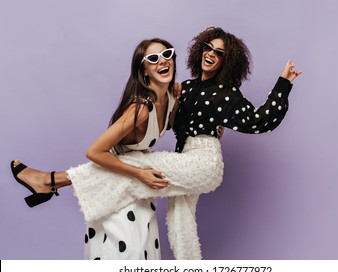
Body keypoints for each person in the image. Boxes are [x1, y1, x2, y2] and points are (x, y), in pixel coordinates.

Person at [11, 27, 302, 260]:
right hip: (185, 157)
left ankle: (51, 181)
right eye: (208, 48)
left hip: (203, 161)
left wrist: (283, 83)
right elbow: (177, 122)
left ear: (229, 61)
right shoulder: (184, 88)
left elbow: (259, 121)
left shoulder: (226, 93)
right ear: (199, 50)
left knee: (132, 163)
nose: (212, 55)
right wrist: (202, 121)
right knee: (180, 221)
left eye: (220, 53)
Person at [11, 38, 178, 260]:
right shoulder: (140, 109)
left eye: (167, 54)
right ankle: (47, 180)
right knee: (128, 254)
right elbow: (95, 152)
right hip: (119, 186)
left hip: (137, 188)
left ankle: (49, 180)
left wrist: (212, 130)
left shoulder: (171, 97)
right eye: (153, 58)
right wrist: (139, 173)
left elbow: (177, 124)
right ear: (144, 70)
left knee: (144, 253)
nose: (162, 61)